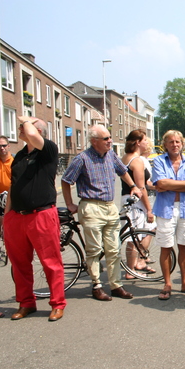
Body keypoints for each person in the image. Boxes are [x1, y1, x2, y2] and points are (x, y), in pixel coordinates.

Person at [62, 124, 141, 301]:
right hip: (91, 206)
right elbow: (66, 180)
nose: (110, 141)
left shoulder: (111, 155)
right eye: (106, 139)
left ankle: (116, 285)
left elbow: (123, 171)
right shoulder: (81, 158)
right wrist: (69, 203)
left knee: (114, 249)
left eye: (110, 137)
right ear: (94, 141)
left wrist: (134, 186)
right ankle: (97, 285)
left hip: (109, 206)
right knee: (95, 249)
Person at [4, 117, 65, 321]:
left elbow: (31, 134)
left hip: (42, 214)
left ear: (37, 130)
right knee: (19, 263)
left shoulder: (48, 150)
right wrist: (7, 216)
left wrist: (27, 118)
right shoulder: (20, 155)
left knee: (50, 262)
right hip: (18, 217)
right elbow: (13, 186)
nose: (20, 129)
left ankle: (57, 303)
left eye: (22, 126)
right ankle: (26, 303)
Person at [151, 130, 185, 300]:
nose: (174, 145)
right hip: (165, 208)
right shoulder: (158, 161)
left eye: (178, 142)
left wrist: (168, 185)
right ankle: (167, 283)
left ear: (183, 144)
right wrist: (183, 184)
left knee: (184, 246)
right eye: (171, 142)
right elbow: (161, 182)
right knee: (165, 247)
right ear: (165, 144)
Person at [121, 129, 156, 278]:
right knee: (137, 234)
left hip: (127, 199)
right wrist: (149, 209)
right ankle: (132, 268)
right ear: (138, 143)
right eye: (145, 140)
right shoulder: (136, 161)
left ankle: (134, 265)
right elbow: (141, 187)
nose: (147, 143)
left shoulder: (125, 157)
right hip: (136, 202)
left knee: (133, 235)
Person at [0, 135, 13, 261]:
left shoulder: (14, 161)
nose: (1, 148)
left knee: (11, 223)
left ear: (8, 146)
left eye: (3, 145)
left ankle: (11, 247)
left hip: (11, 197)